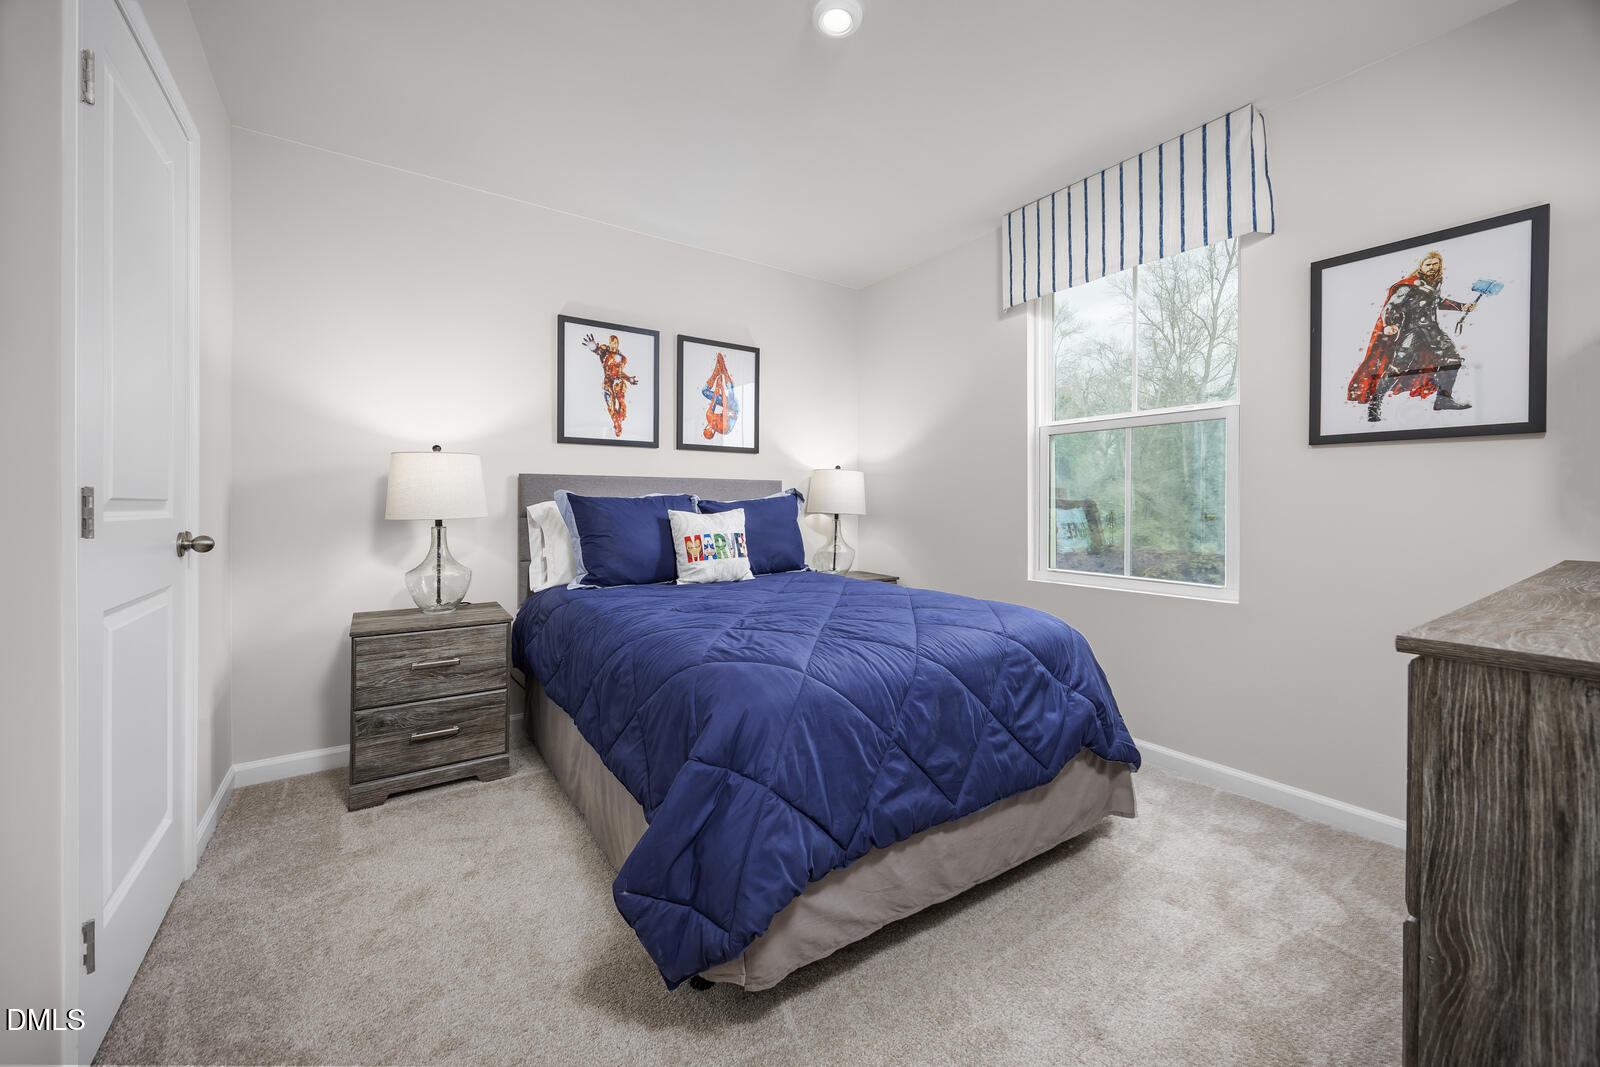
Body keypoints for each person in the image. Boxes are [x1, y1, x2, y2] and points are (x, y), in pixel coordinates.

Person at [1347, 251, 1478, 421]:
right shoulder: (1408, 286)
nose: (1432, 267)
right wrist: (1389, 324)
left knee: (1453, 361)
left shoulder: (1434, 283)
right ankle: (1375, 404)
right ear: (1421, 266)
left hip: (1433, 331)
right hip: (1412, 332)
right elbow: (1390, 306)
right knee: (1396, 368)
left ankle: (1443, 399)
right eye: (1428, 264)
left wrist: (1462, 306)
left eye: (1435, 264)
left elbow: (1437, 301)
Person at [582, 333, 639, 437]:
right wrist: (593, 347)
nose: (613, 344)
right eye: (611, 342)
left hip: (618, 382)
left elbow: (620, 372)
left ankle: (619, 424)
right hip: (608, 383)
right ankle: (617, 427)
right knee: (611, 408)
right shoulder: (605, 351)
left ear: (618, 344)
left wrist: (629, 379)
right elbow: (598, 351)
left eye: (615, 342)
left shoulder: (622, 358)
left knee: (622, 408)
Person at [701, 351, 740, 439]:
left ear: (706, 426)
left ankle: (716, 372)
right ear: (715, 431)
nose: (712, 425)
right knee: (730, 393)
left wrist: (717, 387)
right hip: (732, 412)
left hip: (726, 411)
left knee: (704, 391)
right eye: (712, 429)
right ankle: (724, 371)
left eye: (708, 427)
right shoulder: (724, 427)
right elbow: (726, 407)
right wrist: (722, 388)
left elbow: (714, 400)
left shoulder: (709, 416)